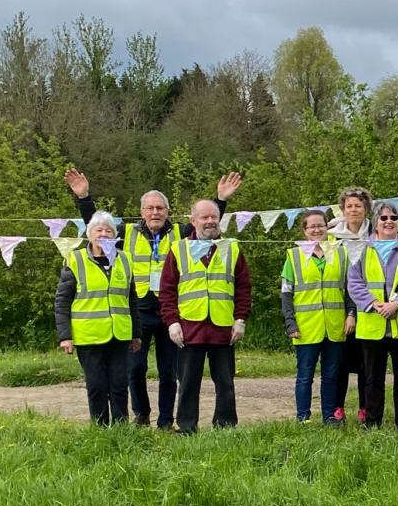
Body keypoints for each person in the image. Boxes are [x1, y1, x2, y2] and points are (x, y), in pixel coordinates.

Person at [62, 168, 241, 430]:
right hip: (138, 312)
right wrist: (84, 198)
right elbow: (99, 230)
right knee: (134, 370)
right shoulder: (126, 233)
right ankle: (141, 413)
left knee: (169, 373)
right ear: (142, 211)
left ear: (167, 212)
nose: (155, 212)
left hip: (172, 314)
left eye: (160, 208)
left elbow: (207, 224)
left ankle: (166, 420)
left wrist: (221, 199)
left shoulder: (181, 233)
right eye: (150, 208)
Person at [158, 199, 252, 433]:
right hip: (189, 328)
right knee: (188, 383)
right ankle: (187, 427)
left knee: (225, 383)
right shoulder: (178, 249)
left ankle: (225, 425)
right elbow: (167, 290)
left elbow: (243, 288)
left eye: (214, 217)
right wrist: (171, 323)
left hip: (223, 327)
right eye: (204, 217)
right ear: (193, 221)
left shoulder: (232, 248)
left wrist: (240, 319)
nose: (210, 221)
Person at [54, 211, 142, 425]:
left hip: (120, 334)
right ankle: (100, 428)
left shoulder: (125, 260)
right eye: (99, 230)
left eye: (108, 230)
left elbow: (132, 300)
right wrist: (65, 336)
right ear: (89, 234)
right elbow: (62, 301)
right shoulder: (75, 260)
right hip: (89, 336)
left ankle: (122, 428)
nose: (104, 234)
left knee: (120, 385)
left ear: (115, 235)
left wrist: (136, 334)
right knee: (97, 385)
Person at [347, 201, 398, 429]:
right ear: (375, 223)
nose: (389, 221)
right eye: (383, 218)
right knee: (373, 378)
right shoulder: (360, 248)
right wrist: (374, 304)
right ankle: (372, 422)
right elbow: (354, 283)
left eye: (393, 217)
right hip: (373, 324)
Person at [281, 210, 355, 424]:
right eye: (311, 226)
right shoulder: (293, 256)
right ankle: (303, 416)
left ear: (327, 227)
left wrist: (351, 314)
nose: (316, 230)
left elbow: (350, 289)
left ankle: (329, 416)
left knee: (331, 376)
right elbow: (286, 293)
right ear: (304, 231)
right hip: (305, 327)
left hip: (334, 325)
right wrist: (290, 321)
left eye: (320, 225)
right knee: (305, 376)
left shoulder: (341, 253)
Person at [328, 186, 372, 423]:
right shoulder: (332, 236)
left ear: (366, 208)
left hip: (370, 303)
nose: (353, 210)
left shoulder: (376, 232)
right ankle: (337, 408)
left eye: (358, 205)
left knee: (367, 361)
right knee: (340, 360)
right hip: (340, 303)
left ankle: (365, 408)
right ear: (343, 210)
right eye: (349, 206)